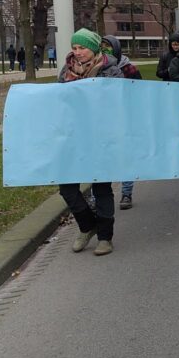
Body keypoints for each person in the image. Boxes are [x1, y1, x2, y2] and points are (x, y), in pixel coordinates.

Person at [57, 28, 123, 256]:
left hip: (101, 138)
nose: (77, 52)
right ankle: (87, 225)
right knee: (66, 187)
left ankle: (105, 237)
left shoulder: (111, 71)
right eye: (74, 48)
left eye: (82, 48)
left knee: (101, 187)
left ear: (94, 49)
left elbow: (117, 102)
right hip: (74, 137)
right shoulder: (66, 71)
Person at [100, 35, 142, 210]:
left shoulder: (129, 69)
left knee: (126, 156)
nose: (105, 49)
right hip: (103, 121)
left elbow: (140, 91)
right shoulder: (97, 68)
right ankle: (99, 195)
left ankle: (126, 192)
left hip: (125, 118)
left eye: (108, 46)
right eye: (102, 46)